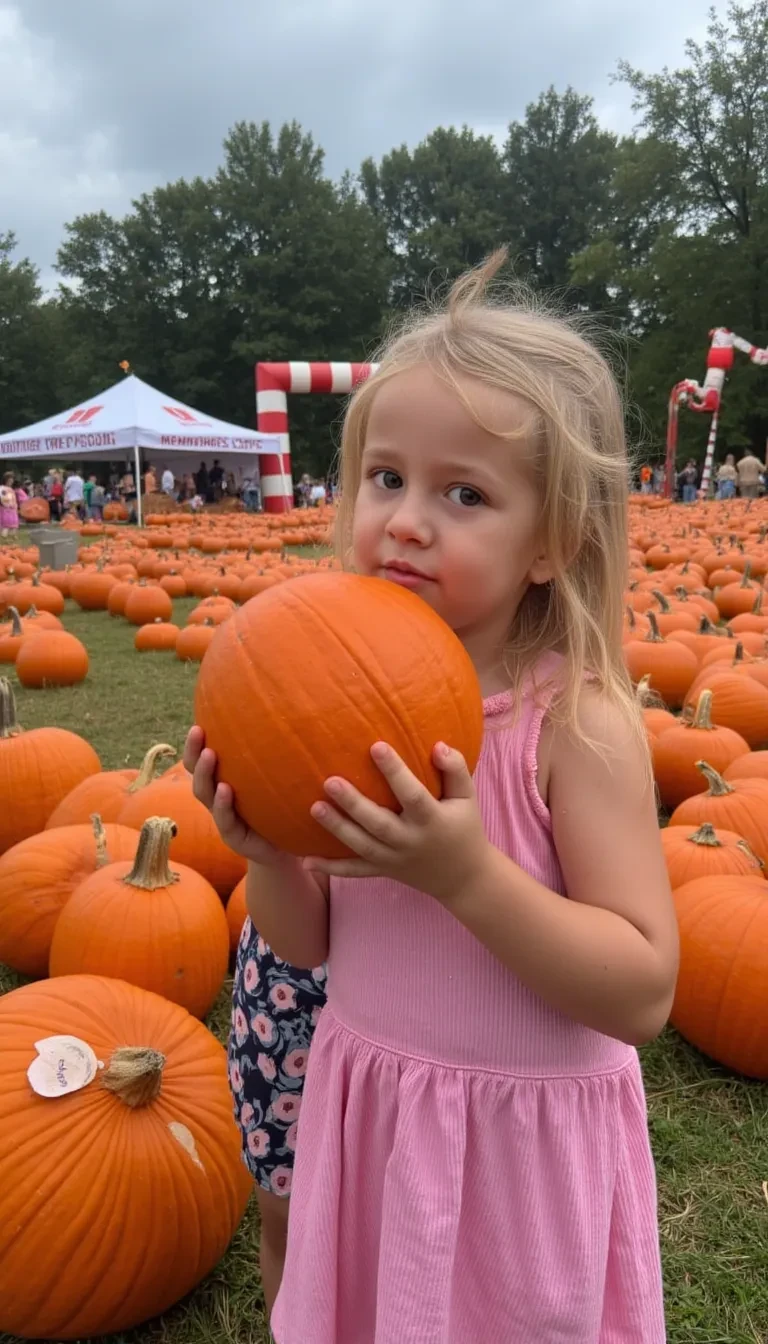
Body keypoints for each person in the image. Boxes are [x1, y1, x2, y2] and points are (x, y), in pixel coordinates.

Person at [185, 250, 677, 1341]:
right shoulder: (330, 697)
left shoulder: (574, 723)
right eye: (387, 478)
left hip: (515, 1144)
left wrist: (465, 874)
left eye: (464, 493)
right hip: (381, 1117)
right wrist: (265, 850)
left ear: (553, 542)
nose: (408, 519)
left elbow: (643, 990)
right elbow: (310, 944)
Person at [0, 472, 19, 538]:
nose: (11, 482)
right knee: (6, 526)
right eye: (9, 480)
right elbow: (2, 499)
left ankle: (12, 538)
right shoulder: (2, 488)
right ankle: (4, 539)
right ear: (5, 480)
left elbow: (14, 499)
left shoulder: (11, 489)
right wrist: (7, 505)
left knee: (14, 525)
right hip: (6, 510)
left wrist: (15, 507)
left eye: (12, 480)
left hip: (13, 510)